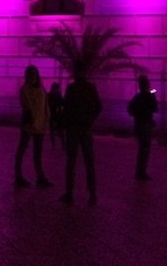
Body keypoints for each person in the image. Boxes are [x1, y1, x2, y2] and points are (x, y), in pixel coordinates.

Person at [60, 71, 102, 205]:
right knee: (89, 161)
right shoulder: (90, 87)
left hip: (73, 128)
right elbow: (99, 106)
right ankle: (92, 193)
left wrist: (64, 125)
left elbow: (66, 108)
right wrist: (91, 119)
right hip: (85, 128)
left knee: (71, 162)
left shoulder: (71, 88)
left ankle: (69, 193)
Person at [14, 65, 52, 188]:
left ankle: (40, 176)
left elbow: (45, 105)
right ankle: (18, 176)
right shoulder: (25, 89)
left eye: (35, 73)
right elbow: (28, 106)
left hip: (40, 125)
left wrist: (46, 119)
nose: (33, 76)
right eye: (31, 74)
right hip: (30, 124)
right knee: (23, 149)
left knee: (37, 152)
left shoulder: (40, 88)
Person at [128, 74, 158, 180]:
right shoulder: (150, 95)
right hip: (146, 124)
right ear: (147, 84)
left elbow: (130, 110)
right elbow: (155, 108)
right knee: (145, 150)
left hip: (138, 124)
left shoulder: (137, 97)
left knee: (141, 149)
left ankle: (139, 171)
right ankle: (141, 172)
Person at [47, 81, 64, 150]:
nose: (56, 90)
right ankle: (57, 144)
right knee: (57, 131)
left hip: (56, 115)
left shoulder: (56, 95)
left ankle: (59, 144)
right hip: (54, 115)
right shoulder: (54, 95)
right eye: (56, 88)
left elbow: (62, 103)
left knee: (58, 131)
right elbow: (62, 103)